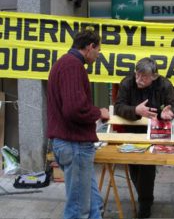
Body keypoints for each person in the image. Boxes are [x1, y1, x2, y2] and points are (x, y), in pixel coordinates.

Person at [47, 29, 109, 219]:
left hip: (71, 143)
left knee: (93, 205)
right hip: (74, 145)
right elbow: (74, 109)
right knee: (78, 210)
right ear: (90, 47)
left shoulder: (65, 64)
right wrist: (99, 112)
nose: (98, 55)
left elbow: (72, 106)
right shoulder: (72, 66)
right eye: (98, 50)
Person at [114, 57, 174, 218]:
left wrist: (168, 113)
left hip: (154, 133)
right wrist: (136, 110)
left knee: (147, 168)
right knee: (134, 169)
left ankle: (145, 204)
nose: (138, 79)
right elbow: (118, 107)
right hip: (132, 131)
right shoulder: (127, 83)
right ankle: (145, 198)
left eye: (143, 77)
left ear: (154, 76)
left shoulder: (164, 84)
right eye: (137, 75)